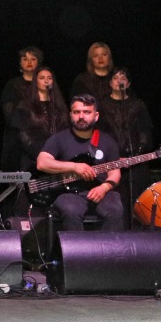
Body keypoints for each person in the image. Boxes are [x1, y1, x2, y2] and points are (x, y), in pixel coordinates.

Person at [36, 94, 125, 232]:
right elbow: (42, 163)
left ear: (96, 116)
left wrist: (104, 187)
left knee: (115, 210)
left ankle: (108, 246)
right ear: (71, 115)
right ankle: (76, 246)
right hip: (69, 193)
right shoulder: (59, 138)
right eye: (77, 112)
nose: (81, 116)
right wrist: (74, 167)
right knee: (71, 210)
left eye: (87, 112)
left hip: (101, 191)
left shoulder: (108, 141)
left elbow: (115, 173)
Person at [100, 67, 155, 215]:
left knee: (139, 201)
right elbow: (99, 133)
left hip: (136, 161)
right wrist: (111, 156)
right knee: (116, 202)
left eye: (123, 78)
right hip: (111, 161)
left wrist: (135, 155)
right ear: (110, 83)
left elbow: (145, 131)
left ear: (128, 84)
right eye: (115, 78)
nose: (119, 81)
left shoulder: (137, 104)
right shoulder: (102, 105)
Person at [8, 66, 68, 173]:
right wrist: (42, 153)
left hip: (58, 157)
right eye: (42, 78)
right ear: (35, 81)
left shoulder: (59, 105)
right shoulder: (25, 105)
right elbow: (22, 135)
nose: (46, 81)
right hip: (33, 157)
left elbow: (65, 129)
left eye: (49, 78)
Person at [0, 46, 44, 173]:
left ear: (38, 62)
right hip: (16, 137)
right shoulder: (12, 84)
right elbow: (9, 116)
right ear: (20, 63)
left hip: (40, 135)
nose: (29, 62)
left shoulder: (43, 83)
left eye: (33, 59)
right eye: (25, 59)